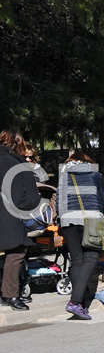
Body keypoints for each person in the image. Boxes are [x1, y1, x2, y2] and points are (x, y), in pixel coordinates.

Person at [57, 151, 104, 320]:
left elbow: (60, 198)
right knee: (91, 257)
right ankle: (75, 301)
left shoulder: (64, 172)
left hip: (68, 218)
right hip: (92, 217)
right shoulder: (95, 173)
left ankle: (80, 300)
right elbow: (102, 199)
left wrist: (63, 218)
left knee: (77, 259)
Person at [0, 130, 40, 311]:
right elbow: (25, 198)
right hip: (10, 216)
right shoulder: (16, 164)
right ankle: (11, 295)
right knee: (15, 254)